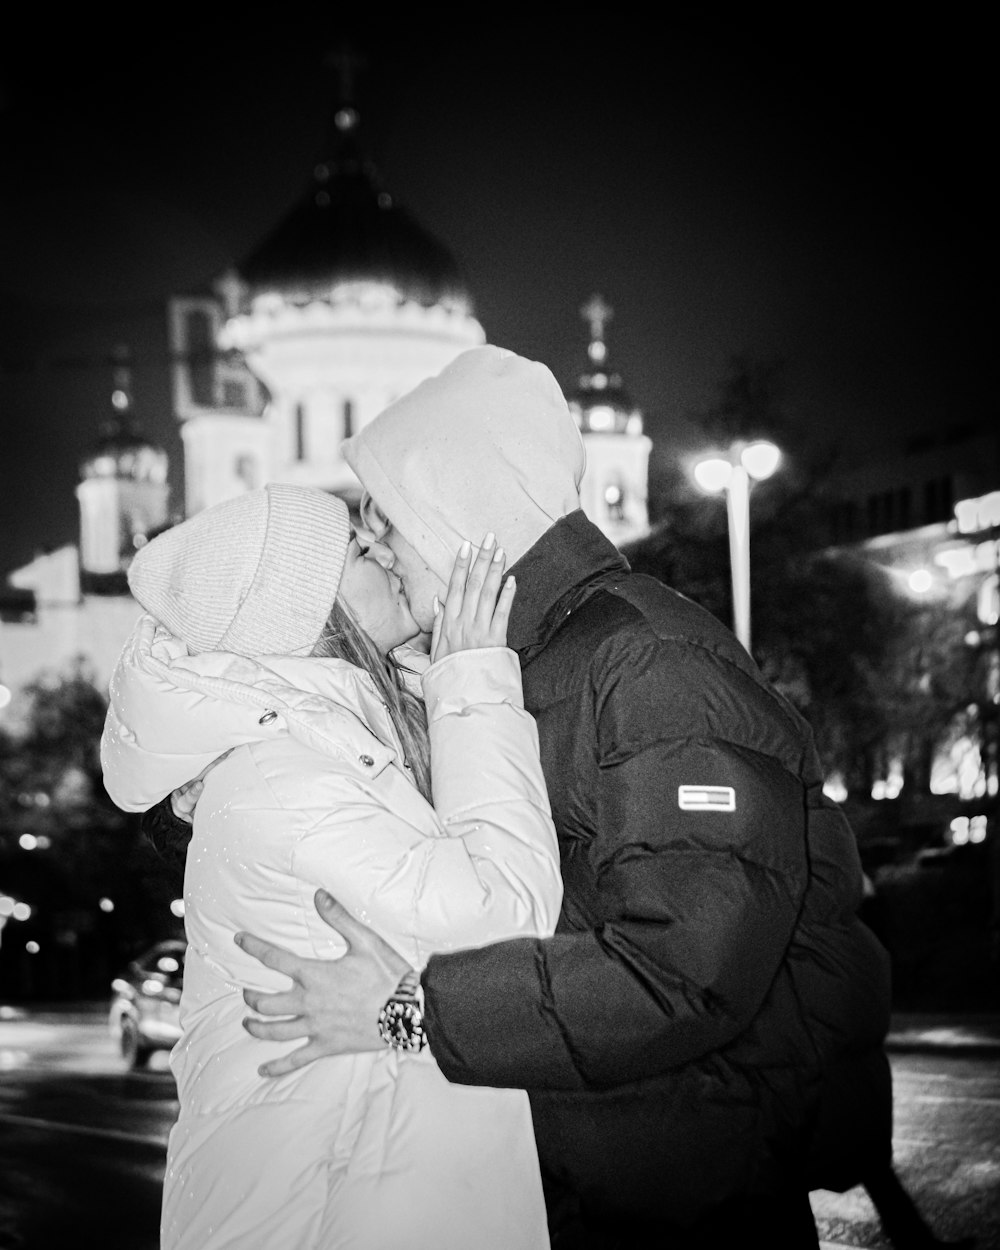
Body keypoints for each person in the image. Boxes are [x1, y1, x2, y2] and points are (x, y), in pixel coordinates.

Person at [146, 347, 896, 1249]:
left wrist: (409, 1011)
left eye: (386, 518)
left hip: (677, 1183)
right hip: (581, 1169)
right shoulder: (505, 665)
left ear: (462, 509)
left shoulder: (652, 665)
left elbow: (684, 970)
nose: (376, 544)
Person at [102, 482, 562, 1250]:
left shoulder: (333, 749)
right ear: (306, 611)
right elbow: (508, 914)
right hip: (329, 1210)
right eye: (357, 548)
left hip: (364, 1188)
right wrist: (475, 679)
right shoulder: (286, 782)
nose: (384, 550)